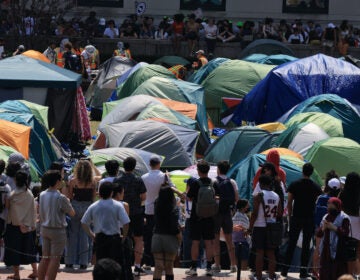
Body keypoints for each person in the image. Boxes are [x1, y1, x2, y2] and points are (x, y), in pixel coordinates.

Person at [281, 163, 322, 279]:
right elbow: (317, 202)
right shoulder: (316, 187)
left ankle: (285, 269)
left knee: (292, 244)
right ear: (311, 172)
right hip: (309, 217)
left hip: (296, 217)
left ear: (302, 171)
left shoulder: (294, 185)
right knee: (306, 245)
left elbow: (289, 202)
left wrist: (290, 216)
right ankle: (303, 271)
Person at [82, 182, 130, 269]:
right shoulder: (118, 205)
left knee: (101, 264)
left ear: (99, 193)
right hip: (114, 238)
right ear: (112, 192)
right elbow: (126, 223)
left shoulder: (94, 206)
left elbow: (84, 222)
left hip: (100, 238)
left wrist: (92, 235)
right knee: (115, 265)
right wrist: (124, 238)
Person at [37, 170, 75, 280]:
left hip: (45, 228)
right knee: (55, 259)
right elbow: (72, 213)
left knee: (45, 257)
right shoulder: (61, 197)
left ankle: (41, 278)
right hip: (57, 230)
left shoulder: (42, 194)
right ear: (58, 181)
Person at [113, 157, 147, 276]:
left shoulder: (117, 180)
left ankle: (122, 263)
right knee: (138, 239)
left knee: (122, 237)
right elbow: (144, 197)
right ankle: (137, 265)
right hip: (136, 212)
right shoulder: (138, 180)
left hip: (120, 211)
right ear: (134, 166)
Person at [65, 159, 100, 269]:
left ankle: (70, 260)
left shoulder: (73, 181)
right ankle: (84, 262)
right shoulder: (93, 181)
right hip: (87, 207)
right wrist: (92, 165)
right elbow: (94, 197)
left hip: (75, 206)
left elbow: (70, 196)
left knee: (73, 234)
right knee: (85, 234)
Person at [186, 160, 217, 277]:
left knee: (195, 242)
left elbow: (188, 198)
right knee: (209, 243)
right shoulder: (213, 183)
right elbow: (217, 197)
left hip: (196, 216)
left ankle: (194, 267)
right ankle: (209, 267)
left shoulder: (195, 183)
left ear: (198, 171)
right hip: (209, 217)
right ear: (208, 170)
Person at [4, 170, 37, 280]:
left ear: (15, 180)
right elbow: (33, 210)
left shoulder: (12, 194)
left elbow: (9, 208)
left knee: (14, 250)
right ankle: (35, 271)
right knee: (29, 249)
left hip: (14, 226)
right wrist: (31, 225)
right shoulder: (30, 194)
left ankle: (17, 274)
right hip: (27, 226)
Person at [249, 174, 283, 280]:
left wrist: (250, 228)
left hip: (259, 226)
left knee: (259, 252)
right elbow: (280, 213)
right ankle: (271, 276)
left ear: (260, 184)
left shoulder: (258, 195)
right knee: (271, 253)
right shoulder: (276, 196)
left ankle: (259, 277)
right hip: (272, 227)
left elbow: (254, 213)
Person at [212, 160, 238, 273]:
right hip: (227, 213)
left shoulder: (213, 181)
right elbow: (236, 198)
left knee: (216, 239)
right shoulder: (232, 182)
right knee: (229, 239)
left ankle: (217, 264)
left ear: (218, 169)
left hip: (216, 213)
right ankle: (233, 265)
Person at [313, 173, 341, 278]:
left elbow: (316, 212)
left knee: (317, 249)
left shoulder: (321, 198)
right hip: (332, 228)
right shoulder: (338, 201)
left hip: (320, 226)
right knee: (330, 251)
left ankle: (315, 271)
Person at [152, 186, 182, 280]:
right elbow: (174, 227)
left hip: (157, 237)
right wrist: (179, 238)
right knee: (169, 266)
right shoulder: (174, 209)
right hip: (170, 238)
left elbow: (158, 198)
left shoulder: (156, 206)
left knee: (158, 267)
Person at [317, 197, 350, 280]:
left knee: (337, 273)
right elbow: (319, 234)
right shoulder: (326, 217)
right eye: (328, 206)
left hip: (338, 250)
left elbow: (345, 233)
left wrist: (334, 228)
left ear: (337, 206)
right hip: (326, 250)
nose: (329, 208)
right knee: (325, 272)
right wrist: (323, 228)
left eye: (331, 206)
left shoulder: (344, 217)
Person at [339, 172, 360, 276]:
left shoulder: (343, 193)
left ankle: (346, 273)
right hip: (357, 222)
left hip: (345, 221)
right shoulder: (359, 193)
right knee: (355, 251)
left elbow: (338, 206)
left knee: (344, 248)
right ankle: (354, 274)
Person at [232, 199, 250, 270]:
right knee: (244, 259)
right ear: (243, 207)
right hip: (242, 240)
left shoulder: (237, 215)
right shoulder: (240, 215)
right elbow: (244, 227)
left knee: (236, 258)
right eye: (247, 205)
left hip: (235, 240)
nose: (248, 206)